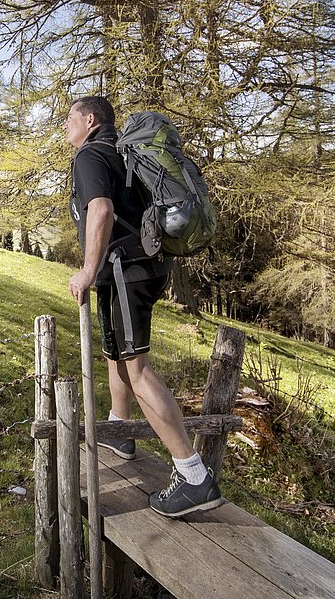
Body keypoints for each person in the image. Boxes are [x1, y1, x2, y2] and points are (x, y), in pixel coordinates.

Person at [65, 96, 223, 518]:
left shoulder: (91, 155)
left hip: (124, 269)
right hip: (137, 267)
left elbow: (100, 210)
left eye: (70, 120)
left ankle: (194, 476)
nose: (66, 128)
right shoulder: (123, 154)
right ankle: (119, 429)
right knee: (115, 353)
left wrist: (86, 269)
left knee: (138, 368)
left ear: (90, 120)